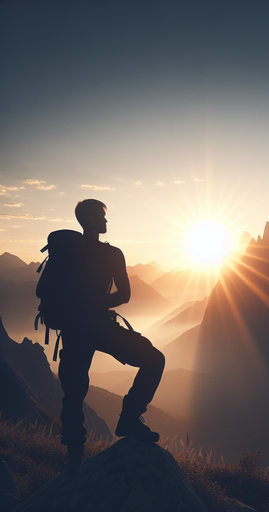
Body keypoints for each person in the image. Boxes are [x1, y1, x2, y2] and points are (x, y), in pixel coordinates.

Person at [58, 199, 165, 475]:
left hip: (73, 330)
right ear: (93, 220)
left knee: (73, 394)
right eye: (103, 218)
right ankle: (129, 418)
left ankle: (74, 462)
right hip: (100, 326)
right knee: (154, 360)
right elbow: (125, 295)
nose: (106, 222)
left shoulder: (65, 251)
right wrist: (99, 303)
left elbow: (43, 292)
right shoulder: (112, 254)